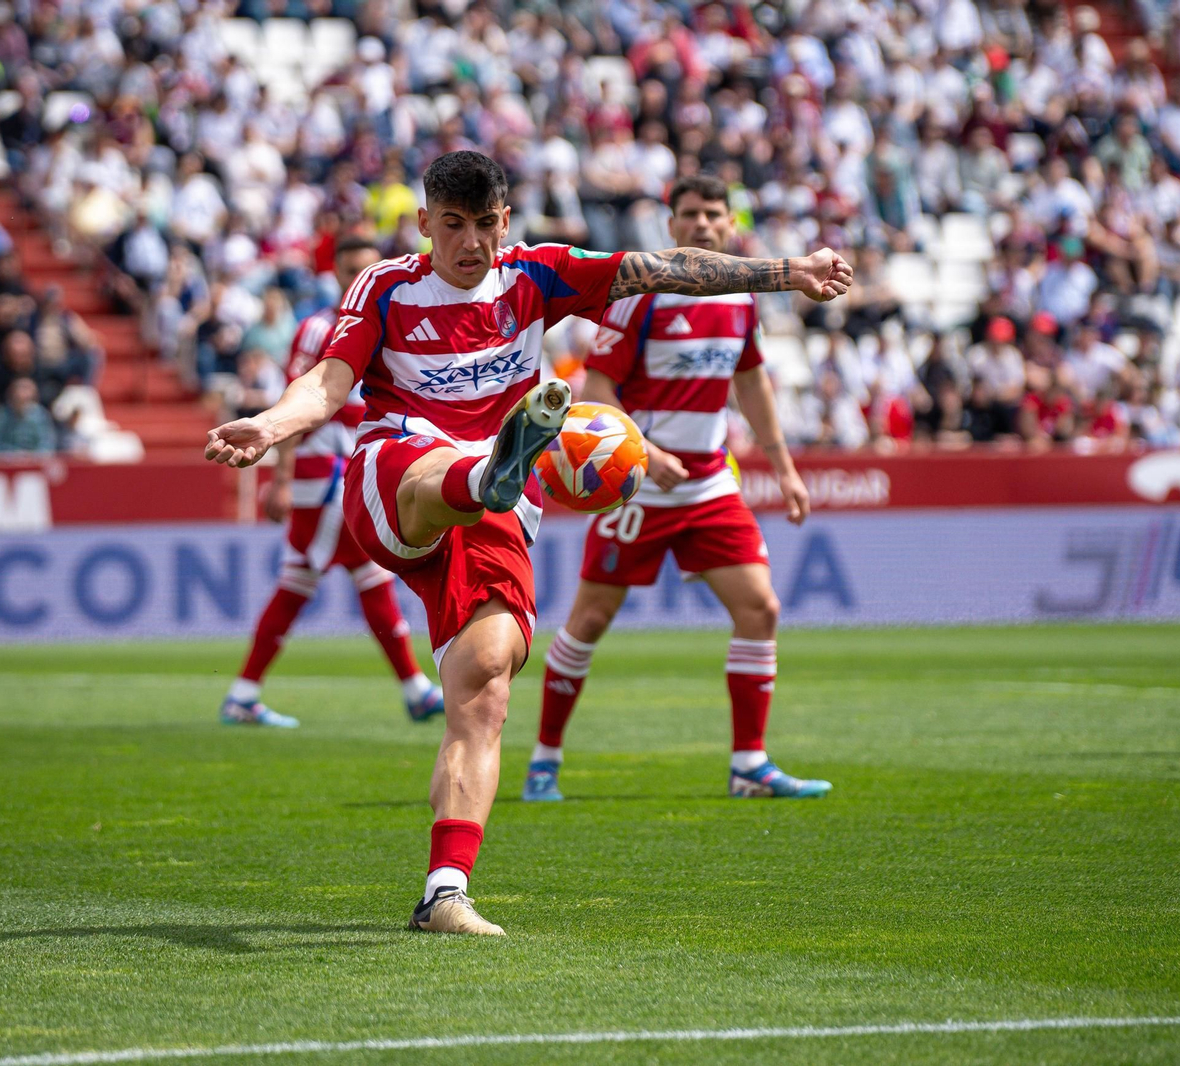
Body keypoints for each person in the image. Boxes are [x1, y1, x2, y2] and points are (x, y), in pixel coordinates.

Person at [204, 151, 851, 936]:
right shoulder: (385, 286)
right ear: (425, 225)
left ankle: (445, 893)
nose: (470, 243)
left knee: (485, 684)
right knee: (439, 473)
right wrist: (269, 427)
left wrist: (790, 271)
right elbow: (330, 384)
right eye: (453, 226)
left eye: (484, 225)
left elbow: (668, 267)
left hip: (501, 516)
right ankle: (490, 473)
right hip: (398, 472)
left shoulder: (538, 275)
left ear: (504, 221)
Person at [523, 175, 830, 804]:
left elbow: (751, 384)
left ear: (730, 225)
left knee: (761, 609)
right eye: (689, 215)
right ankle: (544, 761)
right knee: (588, 621)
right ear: (671, 226)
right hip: (639, 487)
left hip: (709, 483)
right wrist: (646, 451)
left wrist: (784, 466)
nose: (702, 226)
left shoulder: (741, 298)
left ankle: (750, 765)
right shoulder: (644, 296)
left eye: (713, 215)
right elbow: (598, 388)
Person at [218, 238, 443, 730]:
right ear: (336, 272)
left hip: (352, 470)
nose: (358, 276)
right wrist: (281, 477)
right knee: (323, 577)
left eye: (367, 267)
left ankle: (414, 688)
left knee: (351, 577)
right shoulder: (320, 327)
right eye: (350, 268)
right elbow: (294, 403)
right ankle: (414, 689)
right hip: (323, 476)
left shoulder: (389, 320)